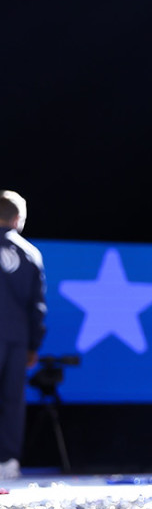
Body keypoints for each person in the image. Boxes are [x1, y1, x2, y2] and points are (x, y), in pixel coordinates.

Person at [0, 191, 46, 481]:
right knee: (12, 400)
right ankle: (7, 460)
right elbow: (37, 306)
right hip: (16, 339)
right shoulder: (30, 253)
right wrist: (34, 345)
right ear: (18, 219)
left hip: (15, 338)